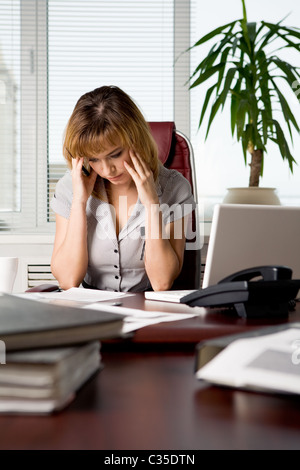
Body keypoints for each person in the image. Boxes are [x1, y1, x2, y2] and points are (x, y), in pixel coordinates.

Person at [50, 85, 195, 292]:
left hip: (147, 309)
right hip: (90, 312)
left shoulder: (174, 187)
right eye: (94, 159)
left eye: (115, 154)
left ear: (136, 140)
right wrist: (79, 202)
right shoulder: (69, 187)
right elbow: (67, 280)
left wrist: (152, 203)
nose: (107, 169)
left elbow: (162, 282)